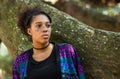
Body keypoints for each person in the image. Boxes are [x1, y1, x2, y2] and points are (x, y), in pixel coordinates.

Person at [12, 7, 85, 79]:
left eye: (48, 25)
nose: (45, 29)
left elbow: (81, 76)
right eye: (39, 25)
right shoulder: (20, 62)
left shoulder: (66, 51)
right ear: (29, 31)